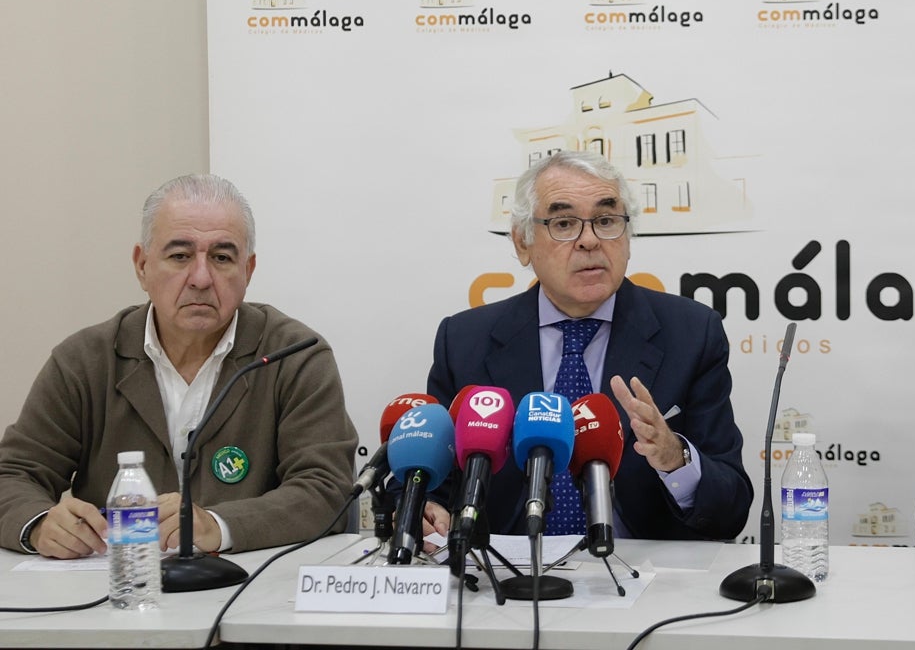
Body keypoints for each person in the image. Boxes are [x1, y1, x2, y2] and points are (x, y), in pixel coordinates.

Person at [0, 174, 357, 559]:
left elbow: (325, 489)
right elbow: (13, 475)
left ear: (248, 271)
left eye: (222, 258)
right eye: (180, 256)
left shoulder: (295, 356)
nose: (201, 279)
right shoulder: (85, 361)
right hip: (115, 596)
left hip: (250, 595)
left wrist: (218, 526)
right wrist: (37, 524)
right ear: (142, 266)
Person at [424, 150, 752, 540]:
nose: (590, 241)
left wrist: (674, 458)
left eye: (606, 220)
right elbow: (431, 482)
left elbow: (731, 509)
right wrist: (426, 509)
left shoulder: (692, 334)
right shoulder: (464, 341)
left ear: (627, 237)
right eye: (564, 223)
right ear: (523, 243)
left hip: (648, 580)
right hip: (507, 581)